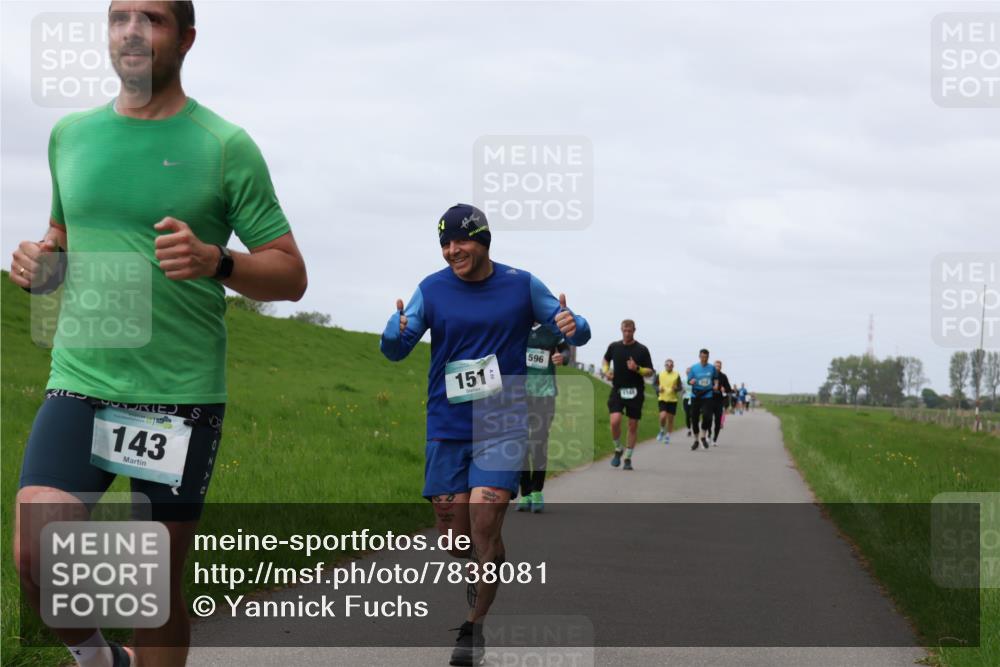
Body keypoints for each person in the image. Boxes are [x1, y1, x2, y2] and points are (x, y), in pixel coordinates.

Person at [10, 3, 308, 666]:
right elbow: (63, 234)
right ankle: (97, 656)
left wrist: (219, 261)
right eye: (119, 16)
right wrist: (41, 260)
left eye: (152, 17)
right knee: (36, 545)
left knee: (152, 586)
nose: (132, 30)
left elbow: (290, 275)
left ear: (186, 38)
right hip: (82, 381)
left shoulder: (225, 146)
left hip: (177, 396)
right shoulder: (70, 135)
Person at [380, 203, 590, 666]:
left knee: (484, 519)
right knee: (456, 539)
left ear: (484, 239)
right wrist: (394, 331)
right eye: (445, 243)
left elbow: (575, 327)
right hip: (448, 426)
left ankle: (473, 629)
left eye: (461, 240)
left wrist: (575, 324)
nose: (453, 250)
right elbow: (395, 348)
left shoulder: (520, 284)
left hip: (503, 422)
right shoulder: (431, 289)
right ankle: (483, 559)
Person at [518, 323, 570, 513]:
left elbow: (566, 351)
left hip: (545, 393)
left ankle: (537, 490)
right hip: (520, 394)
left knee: (539, 442)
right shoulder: (518, 326)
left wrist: (561, 357)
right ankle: (525, 493)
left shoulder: (552, 330)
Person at [602, 320, 653, 471]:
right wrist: (606, 371)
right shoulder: (614, 346)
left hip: (636, 391)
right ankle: (618, 448)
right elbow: (605, 360)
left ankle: (628, 458)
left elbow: (650, 371)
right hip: (618, 389)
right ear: (621, 330)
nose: (627, 333)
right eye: (625, 330)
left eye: (630, 331)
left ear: (634, 330)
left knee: (632, 425)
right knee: (615, 421)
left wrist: (637, 368)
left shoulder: (642, 349)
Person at [687, 349, 719, 450]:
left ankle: (703, 436)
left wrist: (716, 385)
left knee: (707, 416)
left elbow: (715, 378)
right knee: (694, 419)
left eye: (705, 357)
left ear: (708, 357)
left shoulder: (712, 368)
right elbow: (689, 380)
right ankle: (696, 440)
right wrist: (691, 381)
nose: (704, 359)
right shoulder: (694, 368)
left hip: (707, 395)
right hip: (696, 395)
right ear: (699, 356)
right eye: (702, 357)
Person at [653, 359, 682, 444]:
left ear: (673, 366)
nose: (669, 366)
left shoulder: (676, 375)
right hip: (662, 398)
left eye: (671, 365)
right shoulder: (660, 374)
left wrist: (676, 388)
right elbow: (654, 384)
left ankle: (668, 435)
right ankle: (662, 431)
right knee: (662, 416)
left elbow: (680, 387)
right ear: (665, 366)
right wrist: (658, 388)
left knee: (670, 420)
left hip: (672, 400)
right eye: (667, 365)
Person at [711, 360, 733, 446]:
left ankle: (714, 439)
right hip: (710, 399)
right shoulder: (710, 375)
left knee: (717, 421)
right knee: (708, 419)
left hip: (719, 401)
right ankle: (708, 434)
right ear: (713, 367)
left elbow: (729, 389)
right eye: (716, 366)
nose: (717, 368)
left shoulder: (723, 376)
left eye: (719, 366)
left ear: (721, 367)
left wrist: (724, 389)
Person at [682, 368, 693, 437]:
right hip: (685, 399)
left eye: (689, 372)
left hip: (693, 399)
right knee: (687, 415)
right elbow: (681, 389)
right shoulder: (683, 380)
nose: (688, 373)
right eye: (687, 372)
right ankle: (689, 429)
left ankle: (693, 427)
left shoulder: (694, 380)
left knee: (693, 415)